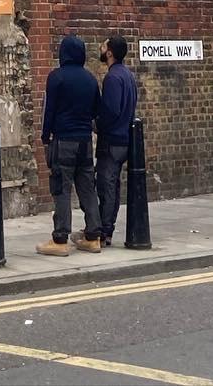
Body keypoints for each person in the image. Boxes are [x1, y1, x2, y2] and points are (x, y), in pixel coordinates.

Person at [36, 34, 103, 256]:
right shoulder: (91, 79)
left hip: (63, 140)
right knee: (87, 188)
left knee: (61, 188)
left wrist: (45, 137)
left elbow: (48, 110)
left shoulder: (56, 77)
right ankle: (93, 236)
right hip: (85, 142)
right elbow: (97, 112)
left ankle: (60, 239)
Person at [96, 33, 138, 246]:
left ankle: (104, 231)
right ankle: (107, 229)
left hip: (112, 141)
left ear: (110, 53)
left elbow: (111, 111)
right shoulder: (128, 75)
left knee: (106, 186)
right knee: (113, 186)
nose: (101, 49)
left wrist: (97, 125)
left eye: (104, 46)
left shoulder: (113, 78)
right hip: (124, 140)